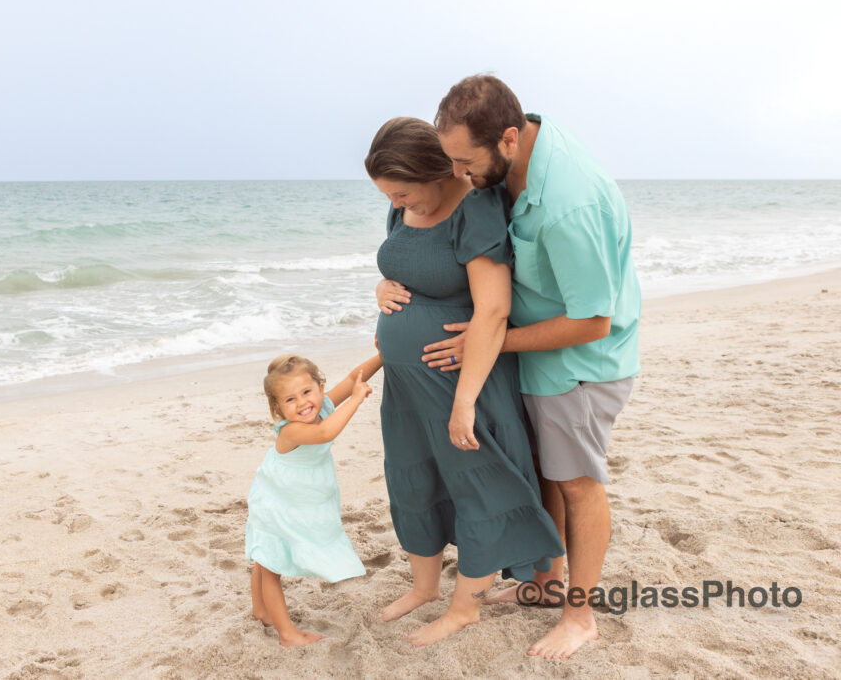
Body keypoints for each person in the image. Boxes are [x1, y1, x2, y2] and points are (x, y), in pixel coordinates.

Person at [379, 76, 641, 659]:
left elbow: (594, 321)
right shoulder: (514, 155)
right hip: (530, 352)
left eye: (464, 163)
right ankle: (544, 583)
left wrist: (491, 342)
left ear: (507, 139)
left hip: (580, 362)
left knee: (576, 483)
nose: (458, 174)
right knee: (544, 472)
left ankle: (580, 617)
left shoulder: (570, 203)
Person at [366, 117, 564, 647]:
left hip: (463, 383)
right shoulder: (404, 205)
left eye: (403, 191)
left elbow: (494, 308)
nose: (398, 203)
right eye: (389, 195)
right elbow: (408, 265)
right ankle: (425, 587)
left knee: (479, 487)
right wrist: (382, 287)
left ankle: (466, 607)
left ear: (436, 170)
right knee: (413, 481)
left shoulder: (474, 209)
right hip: (407, 388)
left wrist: (465, 402)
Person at [246, 353, 382, 647]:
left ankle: (260, 610)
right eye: (290, 400)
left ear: (320, 387)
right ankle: (287, 634)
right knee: (271, 565)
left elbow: (353, 378)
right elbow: (325, 432)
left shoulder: (325, 404)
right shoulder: (293, 429)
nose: (302, 403)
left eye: (307, 392)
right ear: (278, 407)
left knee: (266, 555)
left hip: (299, 498)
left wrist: (382, 356)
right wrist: (357, 400)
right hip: (279, 500)